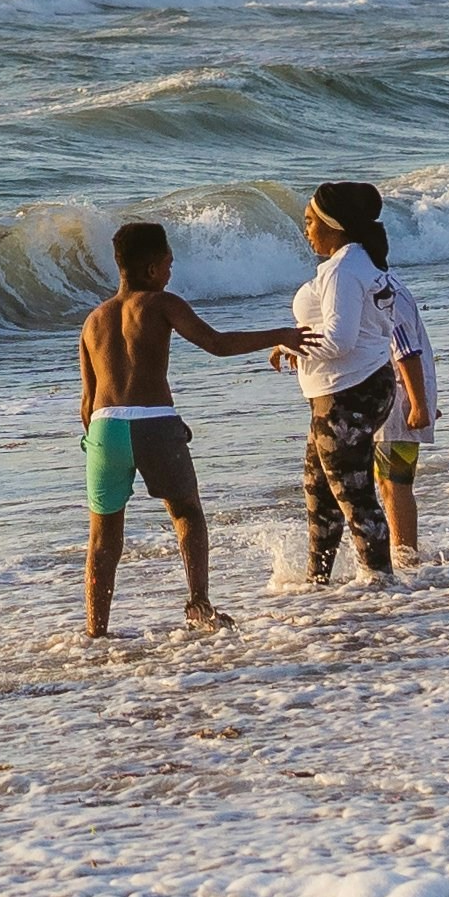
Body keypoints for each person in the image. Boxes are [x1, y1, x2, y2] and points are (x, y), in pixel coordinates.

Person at [74, 222, 288, 635]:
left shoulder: (93, 320)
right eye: (169, 264)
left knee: (102, 539)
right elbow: (217, 343)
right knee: (187, 512)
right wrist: (280, 334)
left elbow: (88, 402)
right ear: (152, 269)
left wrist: (105, 441)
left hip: (102, 431)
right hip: (154, 423)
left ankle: (95, 630)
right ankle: (199, 605)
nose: (172, 271)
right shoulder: (161, 303)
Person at [278, 192, 413, 583]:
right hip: (353, 389)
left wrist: (289, 340)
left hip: (348, 392)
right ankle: (318, 583)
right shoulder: (358, 262)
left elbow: (340, 341)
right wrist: (295, 341)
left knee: (354, 496)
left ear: (334, 224)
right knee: (320, 492)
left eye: (310, 221)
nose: (306, 230)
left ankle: (380, 583)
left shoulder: (343, 269)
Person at [317, 180, 447, 567]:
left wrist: (420, 404)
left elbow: (405, 347)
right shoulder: (375, 280)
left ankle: (405, 558)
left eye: (310, 221)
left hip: (398, 398)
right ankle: (401, 556)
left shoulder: (376, 285)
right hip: (398, 394)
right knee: (389, 481)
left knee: (396, 482)